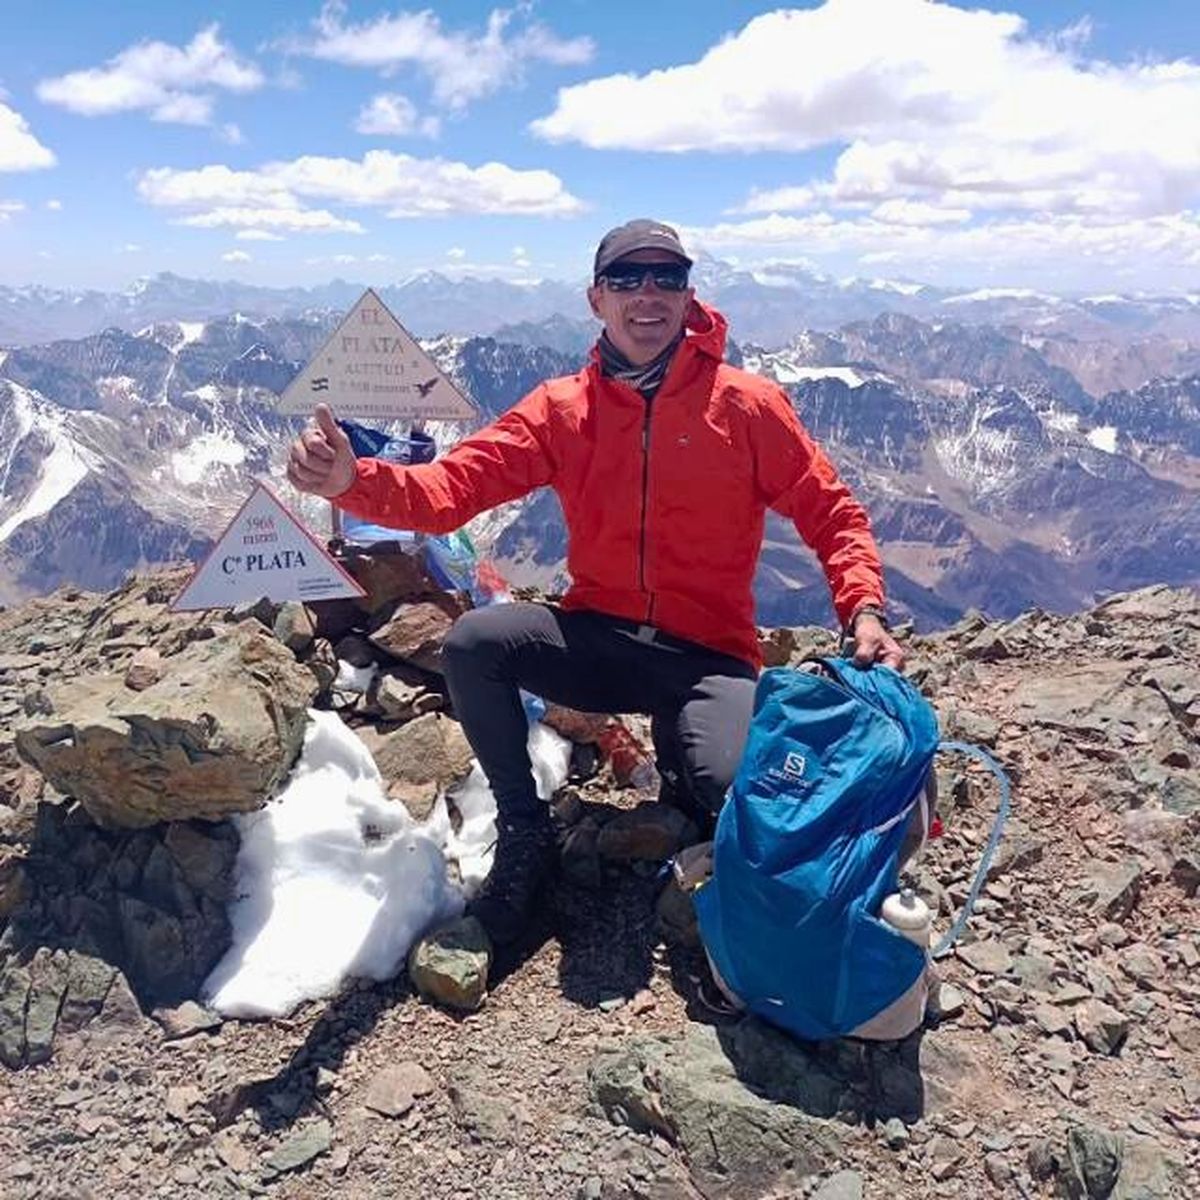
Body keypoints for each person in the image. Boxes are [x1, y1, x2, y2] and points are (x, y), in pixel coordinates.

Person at [287, 218, 904, 947]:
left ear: (688, 295)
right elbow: (452, 488)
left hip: (707, 657)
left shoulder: (747, 406)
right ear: (596, 298)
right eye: (627, 279)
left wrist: (862, 606)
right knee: (477, 641)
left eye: (666, 278)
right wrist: (354, 480)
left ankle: (688, 779)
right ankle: (526, 833)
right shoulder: (562, 410)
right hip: (598, 637)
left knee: (731, 792)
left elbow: (830, 511)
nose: (648, 295)